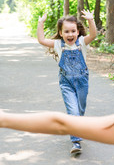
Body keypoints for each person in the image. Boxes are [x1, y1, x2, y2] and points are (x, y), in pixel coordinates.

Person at [36, 10, 97, 154]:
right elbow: (42, 40)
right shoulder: (58, 44)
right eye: (66, 31)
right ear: (61, 33)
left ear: (77, 32)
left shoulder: (81, 42)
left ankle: (78, 127)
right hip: (66, 83)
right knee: (73, 111)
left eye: (73, 31)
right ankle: (76, 142)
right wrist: (41, 23)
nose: (70, 34)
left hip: (82, 82)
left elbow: (93, 35)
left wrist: (91, 20)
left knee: (80, 110)